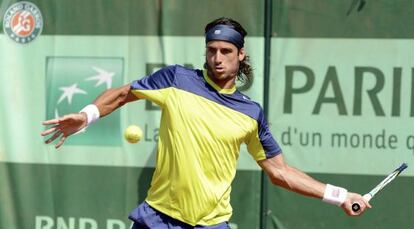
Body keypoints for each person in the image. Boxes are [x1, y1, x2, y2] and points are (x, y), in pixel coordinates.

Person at [41, 17, 371, 229]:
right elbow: (123, 93)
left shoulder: (250, 113)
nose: (217, 58)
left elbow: (280, 172)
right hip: (158, 217)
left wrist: (339, 195)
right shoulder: (176, 79)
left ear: (241, 55)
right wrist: (88, 115)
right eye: (211, 50)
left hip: (211, 224)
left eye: (226, 50)